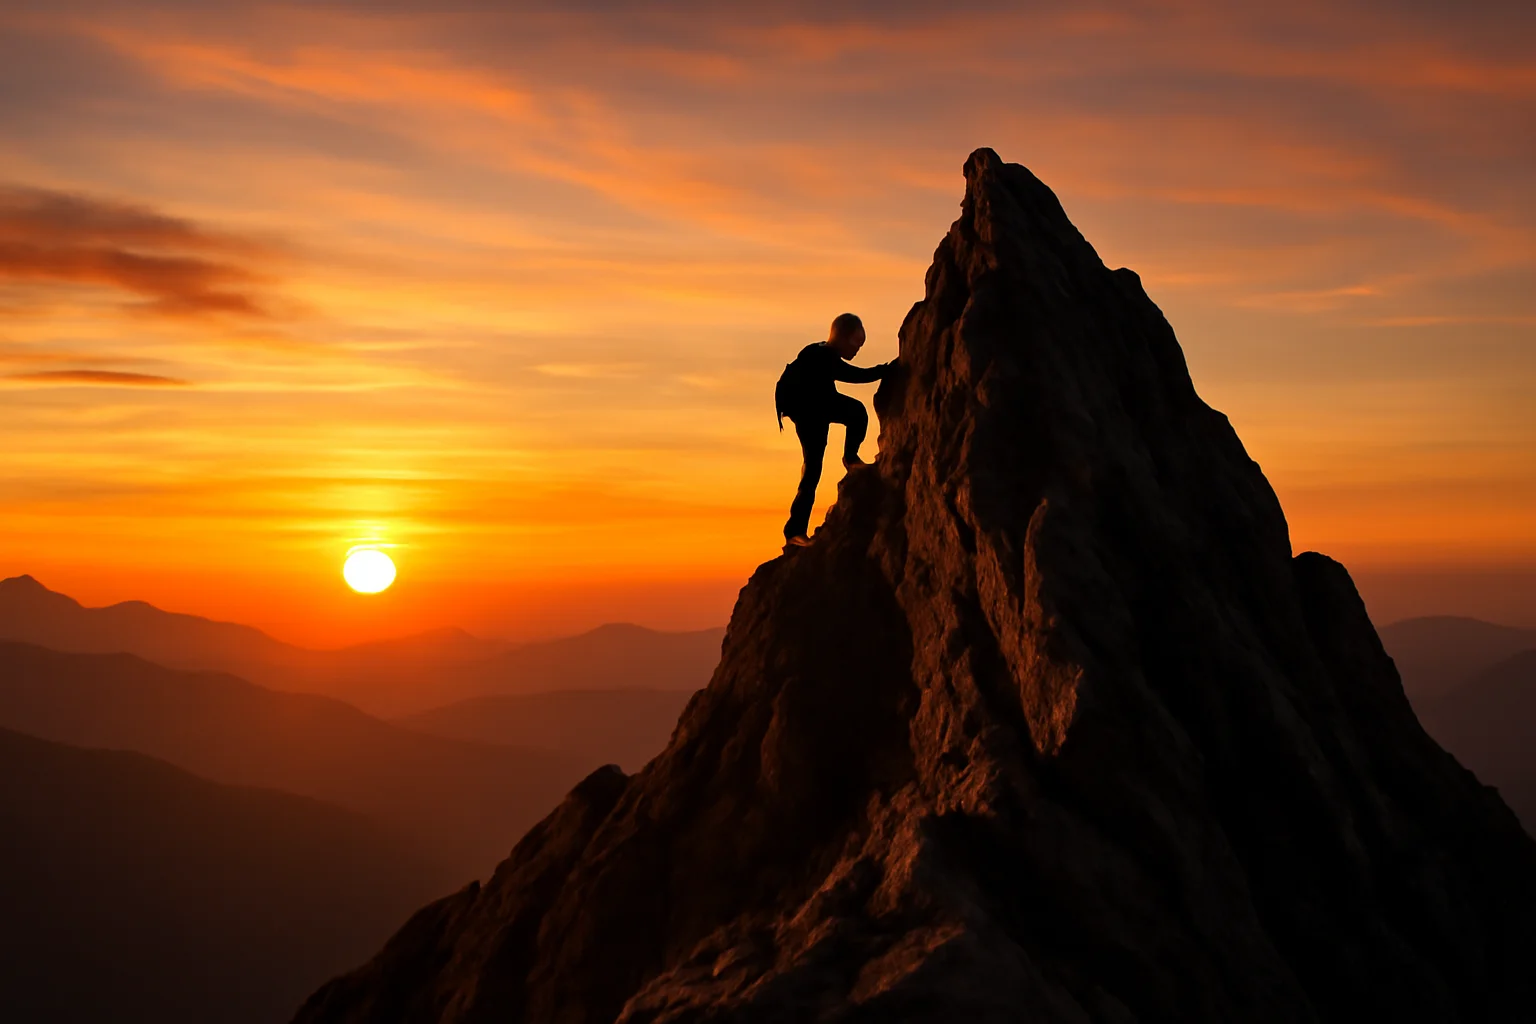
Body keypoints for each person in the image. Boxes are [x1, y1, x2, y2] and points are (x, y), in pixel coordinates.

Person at [776, 312, 893, 549]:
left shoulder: (821, 352)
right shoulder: (822, 356)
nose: (857, 350)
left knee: (856, 412)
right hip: (808, 413)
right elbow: (854, 375)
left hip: (821, 405)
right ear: (842, 338)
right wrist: (887, 369)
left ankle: (850, 458)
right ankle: (794, 531)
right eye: (855, 344)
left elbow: (845, 376)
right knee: (812, 470)